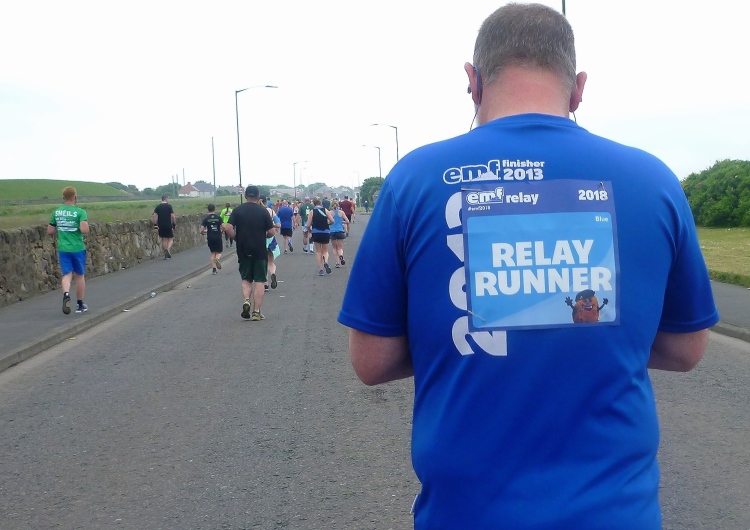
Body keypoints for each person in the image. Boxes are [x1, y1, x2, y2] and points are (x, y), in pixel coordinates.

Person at [337, 4, 719, 529]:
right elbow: (685, 347)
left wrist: (467, 335)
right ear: (578, 88)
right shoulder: (654, 181)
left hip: (468, 515)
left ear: (472, 81)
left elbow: (372, 360)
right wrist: (585, 332)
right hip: (617, 514)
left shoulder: (415, 179)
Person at [224, 186, 275, 321]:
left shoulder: (237, 210)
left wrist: (236, 238)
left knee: (246, 278)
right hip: (259, 250)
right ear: (258, 197)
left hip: (243, 249)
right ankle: (256, 312)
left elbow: (228, 227)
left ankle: (247, 299)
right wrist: (264, 235)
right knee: (259, 280)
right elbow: (272, 232)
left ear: (246, 196)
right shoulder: (263, 211)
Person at [47, 186, 90, 314]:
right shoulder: (80, 212)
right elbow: (84, 230)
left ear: (63, 198)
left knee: (67, 274)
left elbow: (50, 230)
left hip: (63, 248)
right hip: (77, 248)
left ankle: (66, 293)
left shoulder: (56, 212)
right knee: (79, 276)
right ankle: (80, 304)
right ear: (75, 197)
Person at [306, 197, 334, 276]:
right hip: (325, 232)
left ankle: (321, 269)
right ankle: (326, 262)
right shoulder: (325, 210)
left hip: (316, 232)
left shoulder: (312, 212)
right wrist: (328, 224)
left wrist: (309, 230)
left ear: (313, 203)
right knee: (325, 251)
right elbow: (332, 221)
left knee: (318, 251)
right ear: (320, 203)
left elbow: (308, 224)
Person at [263, 198, 282, 292]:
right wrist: (272, 226)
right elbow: (278, 224)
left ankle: (265, 284)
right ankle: (273, 273)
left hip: (259, 239)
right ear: (266, 202)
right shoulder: (271, 211)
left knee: (261, 263)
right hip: (270, 239)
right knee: (270, 262)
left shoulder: (255, 211)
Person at [200, 203, 224, 275]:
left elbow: (201, 229)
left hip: (210, 237)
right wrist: (221, 231)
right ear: (214, 209)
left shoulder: (206, 219)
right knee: (219, 252)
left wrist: (205, 231)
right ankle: (217, 259)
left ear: (208, 209)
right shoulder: (218, 218)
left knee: (213, 253)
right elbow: (224, 226)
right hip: (218, 237)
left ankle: (214, 270)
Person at [152, 195, 176, 259]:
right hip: (168, 225)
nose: (168, 200)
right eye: (168, 198)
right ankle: (168, 249)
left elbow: (154, 216)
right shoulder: (169, 206)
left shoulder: (158, 207)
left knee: (164, 239)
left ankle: (165, 253)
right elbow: (172, 216)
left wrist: (155, 225)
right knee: (170, 239)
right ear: (166, 199)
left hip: (161, 225)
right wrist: (174, 224)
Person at [329, 199, 349, 267]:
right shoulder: (341, 212)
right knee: (340, 247)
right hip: (340, 230)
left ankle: (337, 262)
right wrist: (342, 222)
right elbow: (347, 221)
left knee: (334, 248)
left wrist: (330, 223)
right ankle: (341, 255)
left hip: (333, 231)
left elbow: (328, 222)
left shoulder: (330, 213)